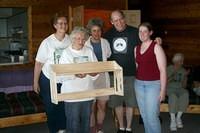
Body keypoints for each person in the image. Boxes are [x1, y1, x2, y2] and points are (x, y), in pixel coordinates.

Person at [103, 10, 140, 133]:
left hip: (131, 75)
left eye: (120, 19)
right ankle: (121, 127)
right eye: (115, 20)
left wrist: (157, 40)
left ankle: (128, 127)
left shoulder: (135, 32)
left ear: (124, 18)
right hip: (114, 75)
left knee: (130, 103)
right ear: (111, 22)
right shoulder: (107, 35)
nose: (118, 22)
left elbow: (146, 44)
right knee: (117, 103)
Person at [33, 13, 71, 133]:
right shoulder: (47, 42)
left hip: (65, 80)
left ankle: (62, 129)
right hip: (48, 79)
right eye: (60, 23)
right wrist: (35, 82)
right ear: (55, 25)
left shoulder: (70, 40)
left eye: (65, 23)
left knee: (63, 106)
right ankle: (53, 130)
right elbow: (39, 63)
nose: (63, 25)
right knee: (51, 108)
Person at [59, 27, 98, 133]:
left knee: (86, 120)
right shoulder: (66, 53)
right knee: (73, 122)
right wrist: (75, 74)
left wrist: (92, 72)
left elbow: (96, 69)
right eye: (78, 39)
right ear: (72, 39)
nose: (81, 42)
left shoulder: (89, 51)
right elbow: (61, 75)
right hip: (72, 94)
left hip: (87, 92)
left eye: (83, 39)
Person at [134, 22, 167, 133]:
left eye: (145, 31)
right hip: (138, 84)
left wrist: (163, 91)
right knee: (144, 116)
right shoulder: (136, 49)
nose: (142, 34)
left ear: (150, 33)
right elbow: (138, 67)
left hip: (153, 85)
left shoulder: (156, 47)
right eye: (140, 31)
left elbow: (163, 70)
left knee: (152, 117)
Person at [85, 18, 111, 133]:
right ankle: (92, 129)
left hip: (102, 77)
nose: (97, 33)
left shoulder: (105, 42)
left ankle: (99, 127)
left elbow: (108, 54)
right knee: (91, 106)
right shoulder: (85, 43)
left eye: (99, 31)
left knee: (102, 105)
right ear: (90, 31)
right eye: (94, 31)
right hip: (89, 78)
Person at [167, 53, 189, 131]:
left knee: (185, 94)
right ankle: (172, 121)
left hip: (180, 89)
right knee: (173, 97)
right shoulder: (169, 68)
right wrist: (173, 75)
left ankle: (178, 118)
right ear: (176, 61)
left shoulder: (183, 70)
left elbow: (184, 86)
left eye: (182, 61)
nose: (182, 63)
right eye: (181, 61)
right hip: (170, 88)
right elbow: (164, 82)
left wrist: (186, 76)